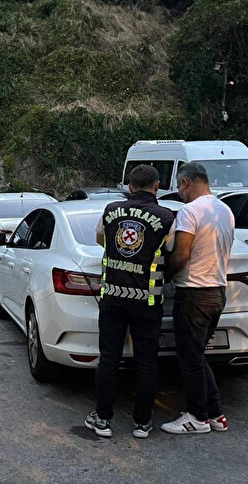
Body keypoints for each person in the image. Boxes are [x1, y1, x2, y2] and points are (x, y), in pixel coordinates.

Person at [84, 165, 175, 439]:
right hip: (147, 301)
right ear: (157, 186)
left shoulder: (111, 210)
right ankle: (143, 423)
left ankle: (102, 419)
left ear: (130, 186)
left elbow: (101, 240)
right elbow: (173, 251)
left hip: (112, 295)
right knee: (146, 360)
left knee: (109, 358)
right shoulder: (167, 216)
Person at [161, 162, 235, 435]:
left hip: (193, 293)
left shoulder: (189, 212)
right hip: (217, 292)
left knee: (189, 358)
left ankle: (197, 417)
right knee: (197, 355)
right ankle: (215, 414)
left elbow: (181, 254)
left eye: (179, 187)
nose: (179, 192)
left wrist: (165, 275)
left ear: (185, 183)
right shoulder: (225, 210)